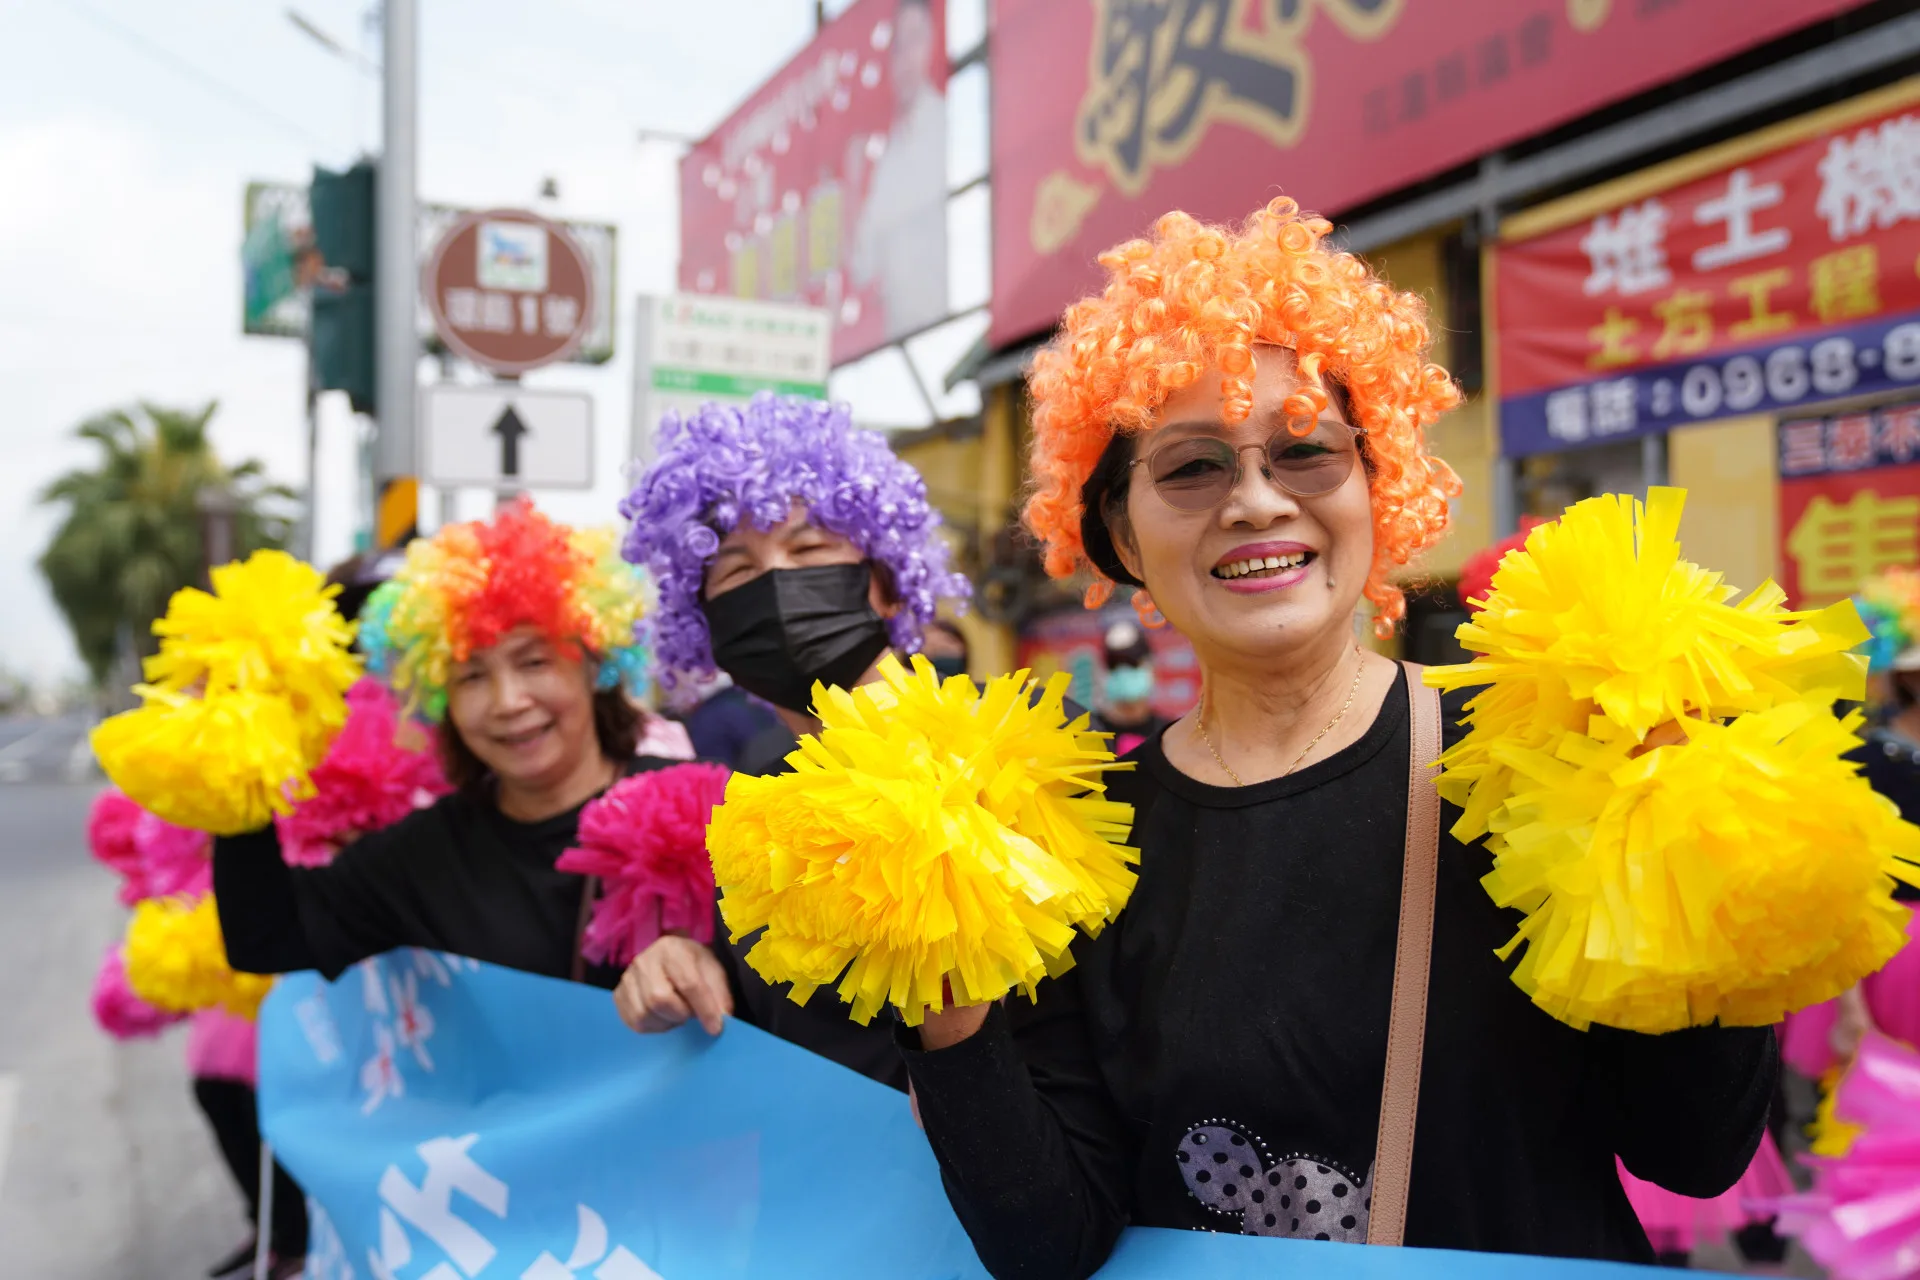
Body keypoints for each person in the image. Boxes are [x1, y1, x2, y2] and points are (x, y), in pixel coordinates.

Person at [892, 201, 1776, 1277]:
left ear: (1377, 481)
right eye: (1191, 468)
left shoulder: (1537, 758)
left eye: (1306, 450)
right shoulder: (1077, 844)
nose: (1255, 502)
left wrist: (1693, 866)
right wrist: (949, 1013)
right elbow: (1052, 1245)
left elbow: (1694, 1153)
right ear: (1120, 529)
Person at [613, 393, 971, 1084]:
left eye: (809, 549)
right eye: (738, 571)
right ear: (707, 624)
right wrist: (688, 964)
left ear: (888, 585)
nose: (777, 583)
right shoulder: (755, 802)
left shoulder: (1021, 739)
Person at [213, 500, 674, 990]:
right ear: (440, 697)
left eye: (534, 662)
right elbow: (265, 936)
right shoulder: (426, 855)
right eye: (471, 676)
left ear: (595, 664)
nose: (508, 701)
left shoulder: (690, 810)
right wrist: (243, 755)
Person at [846, 0, 947, 339]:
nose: (906, 58)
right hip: (900, 329)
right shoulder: (888, 153)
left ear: (932, 42)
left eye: (915, 39)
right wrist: (853, 185)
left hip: (941, 325)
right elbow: (862, 264)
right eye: (898, 46)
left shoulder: (942, 123)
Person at [1090, 620, 1167, 755]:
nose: (1123, 671)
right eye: (1114, 664)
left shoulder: (1168, 735)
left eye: (1132, 663)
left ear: (1152, 667)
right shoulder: (1089, 733)